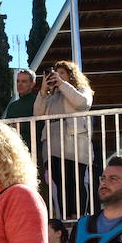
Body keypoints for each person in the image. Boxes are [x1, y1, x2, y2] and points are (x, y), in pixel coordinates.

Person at [33, 60, 94, 218]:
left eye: (62, 73)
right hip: (53, 147)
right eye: (56, 73)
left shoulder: (81, 89)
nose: (57, 76)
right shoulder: (51, 96)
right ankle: (65, 218)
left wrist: (62, 84)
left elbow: (82, 103)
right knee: (60, 185)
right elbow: (38, 114)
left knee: (76, 182)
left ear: (71, 76)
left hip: (74, 146)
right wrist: (43, 90)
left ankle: (79, 217)